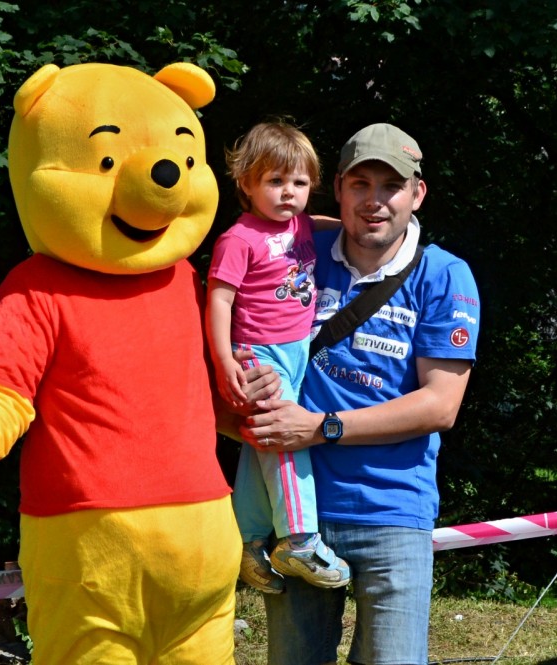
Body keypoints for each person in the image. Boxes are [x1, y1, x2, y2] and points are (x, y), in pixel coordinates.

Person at [238, 123, 481, 665]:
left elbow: (440, 405)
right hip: (297, 516)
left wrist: (320, 427)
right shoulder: (297, 251)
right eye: (360, 184)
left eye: (391, 186)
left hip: (394, 513)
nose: (375, 201)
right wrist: (243, 374)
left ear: (417, 194)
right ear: (339, 189)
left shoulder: (444, 275)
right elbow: (238, 302)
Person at [206, 121, 351, 595]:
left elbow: (323, 223)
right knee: (288, 438)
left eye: (300, 182)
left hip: (296, 351)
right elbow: (219, 300)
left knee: (262, 443)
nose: (289, 192)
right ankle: (299, 539)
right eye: (275, 180)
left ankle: (247, 543)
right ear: (246, 182)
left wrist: (353, 226)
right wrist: (224, 361)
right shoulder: (239, 238)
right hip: (258, 354)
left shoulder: (299, 224)